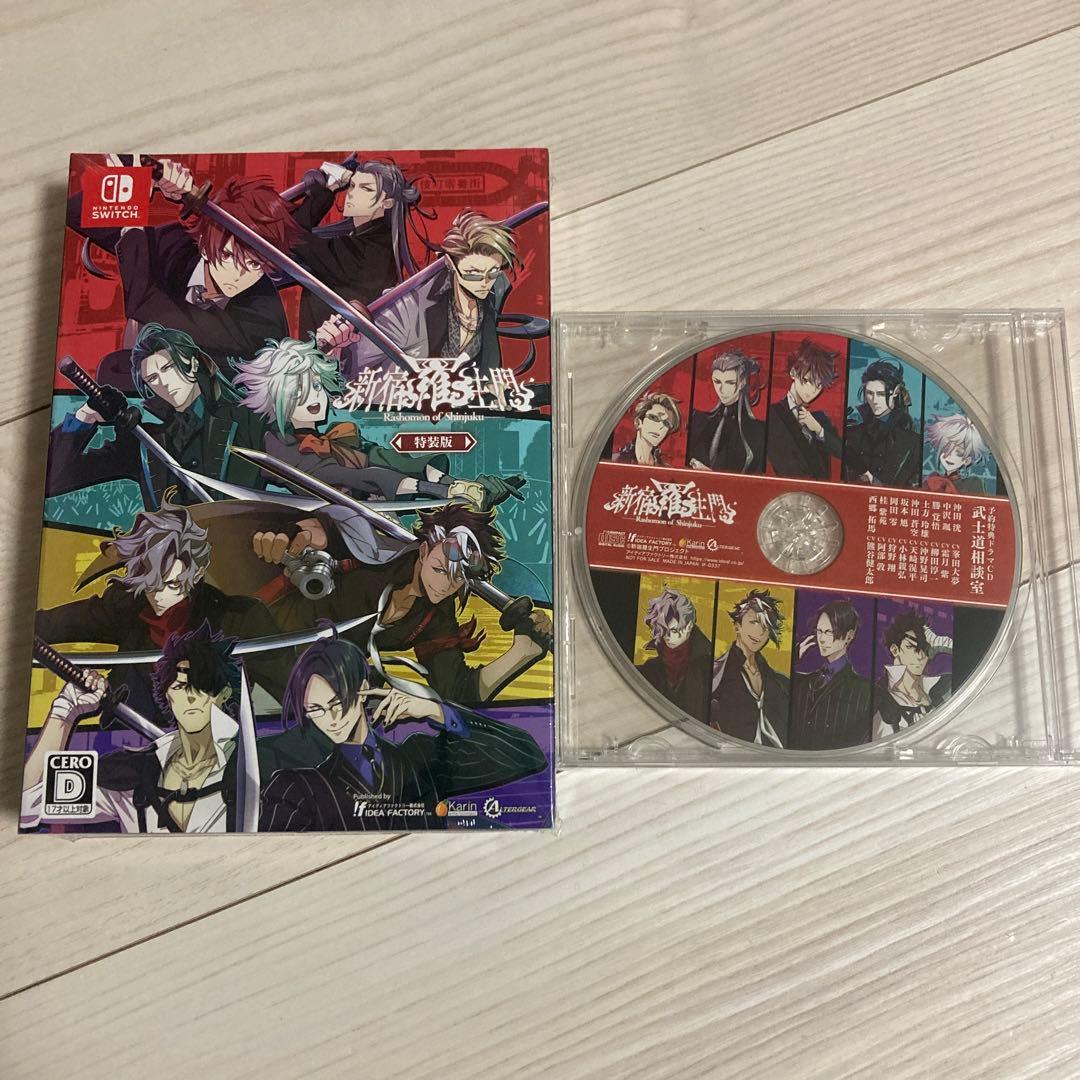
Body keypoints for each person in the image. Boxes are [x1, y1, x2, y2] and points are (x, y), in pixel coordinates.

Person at [251, 502, 552, 704]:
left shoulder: (435, 615)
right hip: (261, 635)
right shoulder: (372, 555)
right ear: (423, 551)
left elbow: (458, 690)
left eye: (457, 580)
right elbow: (328, 528)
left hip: (311, 679)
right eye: (440, 569)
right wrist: (291, 535)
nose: (445, 585)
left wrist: (523, 653)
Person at [257, 635, 547, 830]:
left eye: (337, 703)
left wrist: (436, 711)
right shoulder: (297, 787)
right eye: (315, 709)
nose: (331, 719)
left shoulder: (418, 758)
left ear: (363, 690)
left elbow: (526, 754)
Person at [35, 499, 285, 715]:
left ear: (197, 574)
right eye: (149, 583)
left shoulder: (239, 617)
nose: (158, 596)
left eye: (172, 584)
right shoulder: (125, 607)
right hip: (131, 736)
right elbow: (51, 624)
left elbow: (293, 692)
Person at [233, 336, 525, 510]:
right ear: (277, 399)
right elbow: (358, 477)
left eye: (317, 386)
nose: (313, 398)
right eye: (298, 392)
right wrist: (444, 492)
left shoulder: (338, 437)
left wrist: (461, 485)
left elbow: (389, 459)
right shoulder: (277, 446)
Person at [68, 157, 296, 372]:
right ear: (204, 245)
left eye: (254, 264)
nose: (239, 275)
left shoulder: (264, 319)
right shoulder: (178, 245)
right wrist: (140, 183)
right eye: (228, 256)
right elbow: (78, 214)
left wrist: (133, 221)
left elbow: (147, 303)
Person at [21, 623, 244, 833]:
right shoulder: (133, 773)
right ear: (167, 695)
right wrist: (65, 711)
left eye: (203, 686)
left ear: (224, 694)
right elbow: (29, 803)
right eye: (180, 686)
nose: (192, 697)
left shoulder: (251, 763)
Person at [47, 322, 265, 507]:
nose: (164, 383)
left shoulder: (248, 419)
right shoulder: (144, 441)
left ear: (192, 364)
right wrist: (86, 416)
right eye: (152, 378)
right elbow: (52, 480)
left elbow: (287, 471)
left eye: (168, 368)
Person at [341, 210, 525, 377]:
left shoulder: (496, 288)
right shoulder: (410, 306)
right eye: (473, 274)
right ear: (450, 264)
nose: (485, 282)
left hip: (466, 399)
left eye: (492, 272)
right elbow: (355, 365)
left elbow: (488, 353)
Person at [289, 158, 425, 338]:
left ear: (387, 203)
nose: (352, 194)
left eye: (366, 189)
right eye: (352, 186)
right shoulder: (369, 240)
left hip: (339, 351)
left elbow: (290, 235)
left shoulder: (367, 250)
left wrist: (328, 190)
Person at [709, 590, 791, 747]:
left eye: (766, 626)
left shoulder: (777, 680)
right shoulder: (718, 672)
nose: (759, 632)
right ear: (737, 626)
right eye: (753, 622)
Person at [787, 600, 873, 750]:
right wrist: (794, 657)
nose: (821, 639)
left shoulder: (863, 689)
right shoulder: (804, 680)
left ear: (849, 636)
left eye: (829, 632)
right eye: (819, 631)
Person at [766, 338, 843, 480]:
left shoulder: (819, 419)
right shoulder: (773, 414)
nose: (812, 390)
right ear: (793, 373)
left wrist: (818, 430)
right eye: (807, 381)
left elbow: (842, 452)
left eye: (819, 386)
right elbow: (783, 463)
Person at [635, 587, 712, 721]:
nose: (668, 636)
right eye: (664, 630)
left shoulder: (706, 668)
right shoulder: (651, 668)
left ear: (689, 626)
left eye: (675, 630)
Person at [873, 610, 953, 738]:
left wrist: (944, 643)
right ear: (895, 649)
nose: (920, 656)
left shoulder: (942, 686)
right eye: (911, 647)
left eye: (924, 649)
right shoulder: (882, 701)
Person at [843, 359, 921, 488]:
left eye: (881, 394)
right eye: (869, 393)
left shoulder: (912, 440)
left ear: (896, 391)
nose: (874, 400)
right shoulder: (853, 432)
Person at [688, 349, 766, 473]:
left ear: (742, 382)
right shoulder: (698, 418)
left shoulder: (758, 430)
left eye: (730, 383)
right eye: (717, 382)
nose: (722, 389)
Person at [923, 414, 990, 494]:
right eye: (945, 449)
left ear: (967, 460)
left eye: (958, 452)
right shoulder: (931, 479)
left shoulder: (973, 483)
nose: (948, 456)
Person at [612, 393, 681, 465]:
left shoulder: (663, 468)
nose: (661, 426)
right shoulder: (617, 460)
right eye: (654, 418)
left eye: (666, 423)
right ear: (638, 422)